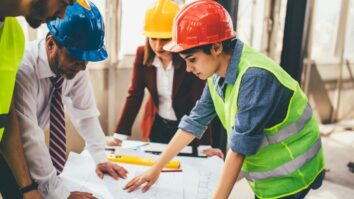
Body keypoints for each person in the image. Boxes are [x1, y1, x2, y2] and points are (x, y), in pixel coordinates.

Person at [123, 1, 326, 199]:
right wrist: (156, 168)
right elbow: (195, 122)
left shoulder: (254, 78)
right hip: (268, 174)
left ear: (217, 47)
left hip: (291, 175)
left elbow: (238, 150)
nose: (188, 69)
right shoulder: (217, 73)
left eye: (192, 60)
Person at [13, 2, 128, 199]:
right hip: (12, 154)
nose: (83, 67)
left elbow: (86, 113)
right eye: (76, 57)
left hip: (33, 150)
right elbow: (29, 137)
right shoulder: (24, 70)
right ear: (51, 44)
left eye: (87, 59)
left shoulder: (75, 67)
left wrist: (100, 157)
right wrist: (61, 193)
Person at [106, 0, 224, 158]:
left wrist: (205, 145)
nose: (158, 46)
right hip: (157, 124)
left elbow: (200, 101)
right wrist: (119, 136)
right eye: (153, 38)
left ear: (176, 37)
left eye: (164, 39)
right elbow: (134, 95)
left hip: (186, 127)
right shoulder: (142, 55)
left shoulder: (190, 59)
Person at [0, 0, 79, 198]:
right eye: (65, 2)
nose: (62, 16)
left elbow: (6, 118)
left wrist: (28, 188)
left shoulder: (13, 35)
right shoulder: (28, 63)